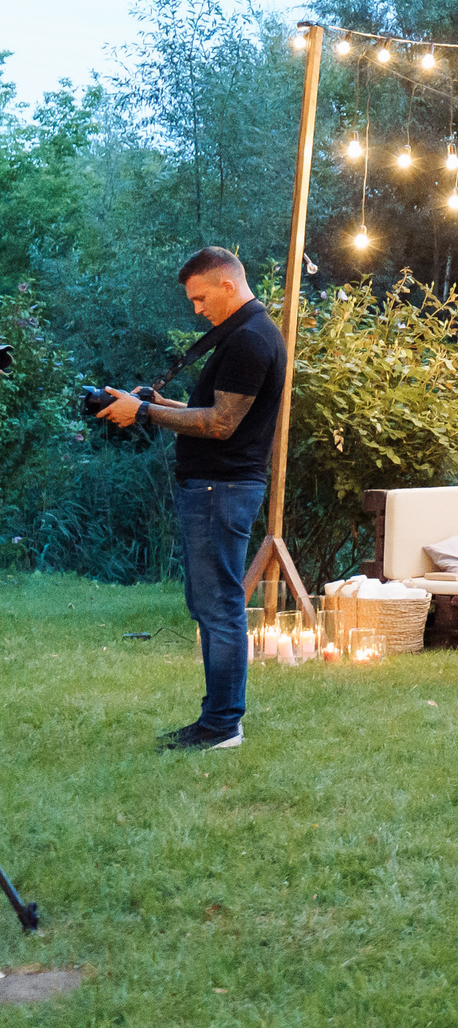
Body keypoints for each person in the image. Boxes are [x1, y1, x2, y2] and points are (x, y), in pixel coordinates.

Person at [92, 248, 288, 752]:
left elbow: (221, 425)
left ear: (227, 284)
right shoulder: (246, 332)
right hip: (216, 486)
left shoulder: (248, 338)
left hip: (220, 487)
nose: (197, 309)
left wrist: (144, 414)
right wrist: (157, 404)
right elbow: (215, 412)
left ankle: (223, 725)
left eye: (200, 298)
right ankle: (217, 721)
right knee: (208, 604)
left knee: (219, 607)